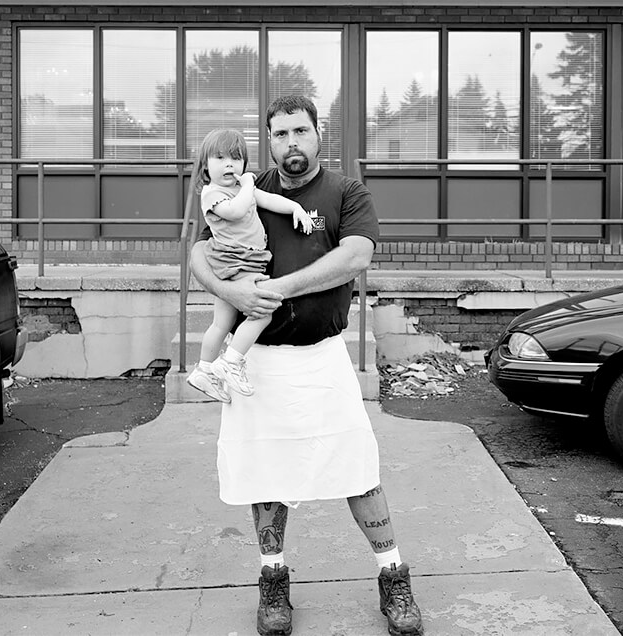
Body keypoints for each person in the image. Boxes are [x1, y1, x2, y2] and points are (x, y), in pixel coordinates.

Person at [190, 96, 423, 636]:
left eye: (300, 131)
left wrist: (279, 288)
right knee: (263, 476)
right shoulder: (247, 186)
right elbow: (200, 253)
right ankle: (273, 583)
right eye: (279, 134)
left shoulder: (345, 192)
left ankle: (394, 577)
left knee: (359, 470)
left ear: (319, 134)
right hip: (257, 361)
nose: (291, 143)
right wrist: (231, 293)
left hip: (323, 357)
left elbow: (356, 255)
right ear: (268, 141)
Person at [187, 128, 314, 403]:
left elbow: (268, 200)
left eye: (236, 158)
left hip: (241, 261)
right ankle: (231, 361)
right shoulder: (212, 193)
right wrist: (247, 187)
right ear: (205, 167)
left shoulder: (241, 190)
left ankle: (204, 369)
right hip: (237, 261)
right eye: (220, 158)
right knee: (262, 312)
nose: (229, 164)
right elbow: (235, 211)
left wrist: (295, 208)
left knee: (222, 322)